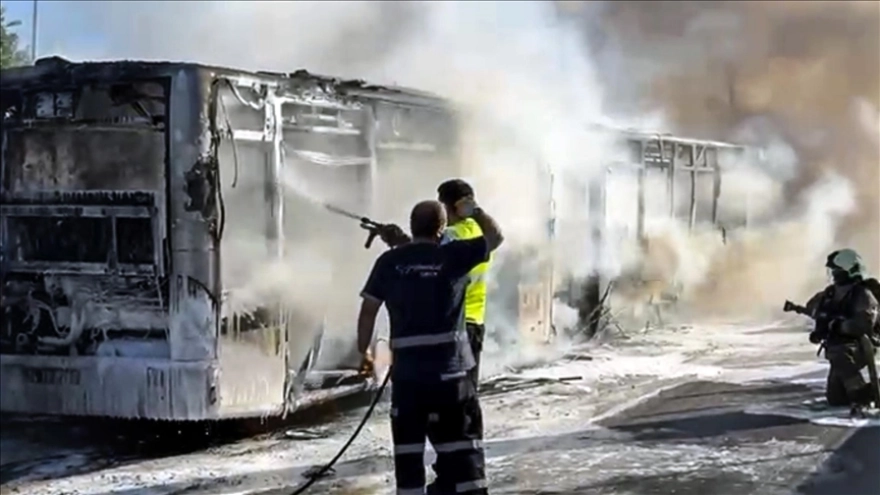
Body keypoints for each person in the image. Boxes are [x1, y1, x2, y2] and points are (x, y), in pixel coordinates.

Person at [357, 197, 503, 495]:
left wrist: (366, 353)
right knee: (463, 453)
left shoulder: (389, 263)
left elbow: (368, 311)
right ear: (442, 228)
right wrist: (473, 210)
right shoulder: (455, 255)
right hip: (452, 379)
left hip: (409, 380)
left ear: (412, 226)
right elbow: (495, 237)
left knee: (408, 457)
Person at [377, 179, 498, 388]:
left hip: (452, 323)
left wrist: (399, 241)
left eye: (441, 205)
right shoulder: (478, 232)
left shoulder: (454, 233)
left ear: (453, 207)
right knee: (465, 391)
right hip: (474, 323)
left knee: (441, 390)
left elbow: (431, 255)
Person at [805, 248, 879, 410]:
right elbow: (813, 307)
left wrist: (839, 326)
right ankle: (868, 392)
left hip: (859, 346)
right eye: (834, 271)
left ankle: (861, 396)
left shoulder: (862, 294)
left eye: (837, 271)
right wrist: (821, 326)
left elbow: (863, 325)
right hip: (837, 347)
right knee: (836, 399)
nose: (834, 274)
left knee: (840, 355)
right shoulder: (831, 293)